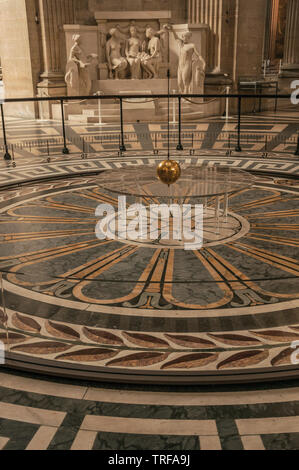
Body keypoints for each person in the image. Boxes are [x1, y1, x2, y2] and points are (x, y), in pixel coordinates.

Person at [170, 27, 206, 94]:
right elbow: (176, 37)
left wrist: (204, 63)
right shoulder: (181, 45)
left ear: (189, 38)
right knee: (179, 83)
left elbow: (199, 55)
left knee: (185, 83)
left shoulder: (192, 45)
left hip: (187, 65)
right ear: (182, 37)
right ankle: (182, 97)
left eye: (187, 37)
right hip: (180, 66)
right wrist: (172, 29)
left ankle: (186, 98)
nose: (185, 38)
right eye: (184, 37)